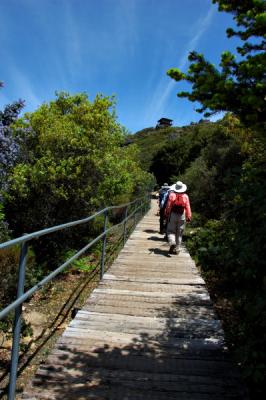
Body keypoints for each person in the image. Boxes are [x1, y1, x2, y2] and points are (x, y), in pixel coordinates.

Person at [164, 181, 191, 254]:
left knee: (170, 231)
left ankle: (172, 242)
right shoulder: (185, 196)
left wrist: (166, 213)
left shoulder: (172, 195)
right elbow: (188, 206)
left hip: (173, 214)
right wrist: (189, 216)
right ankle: (177, 249)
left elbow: (168, 206)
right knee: (179, 233)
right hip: (182, 215)